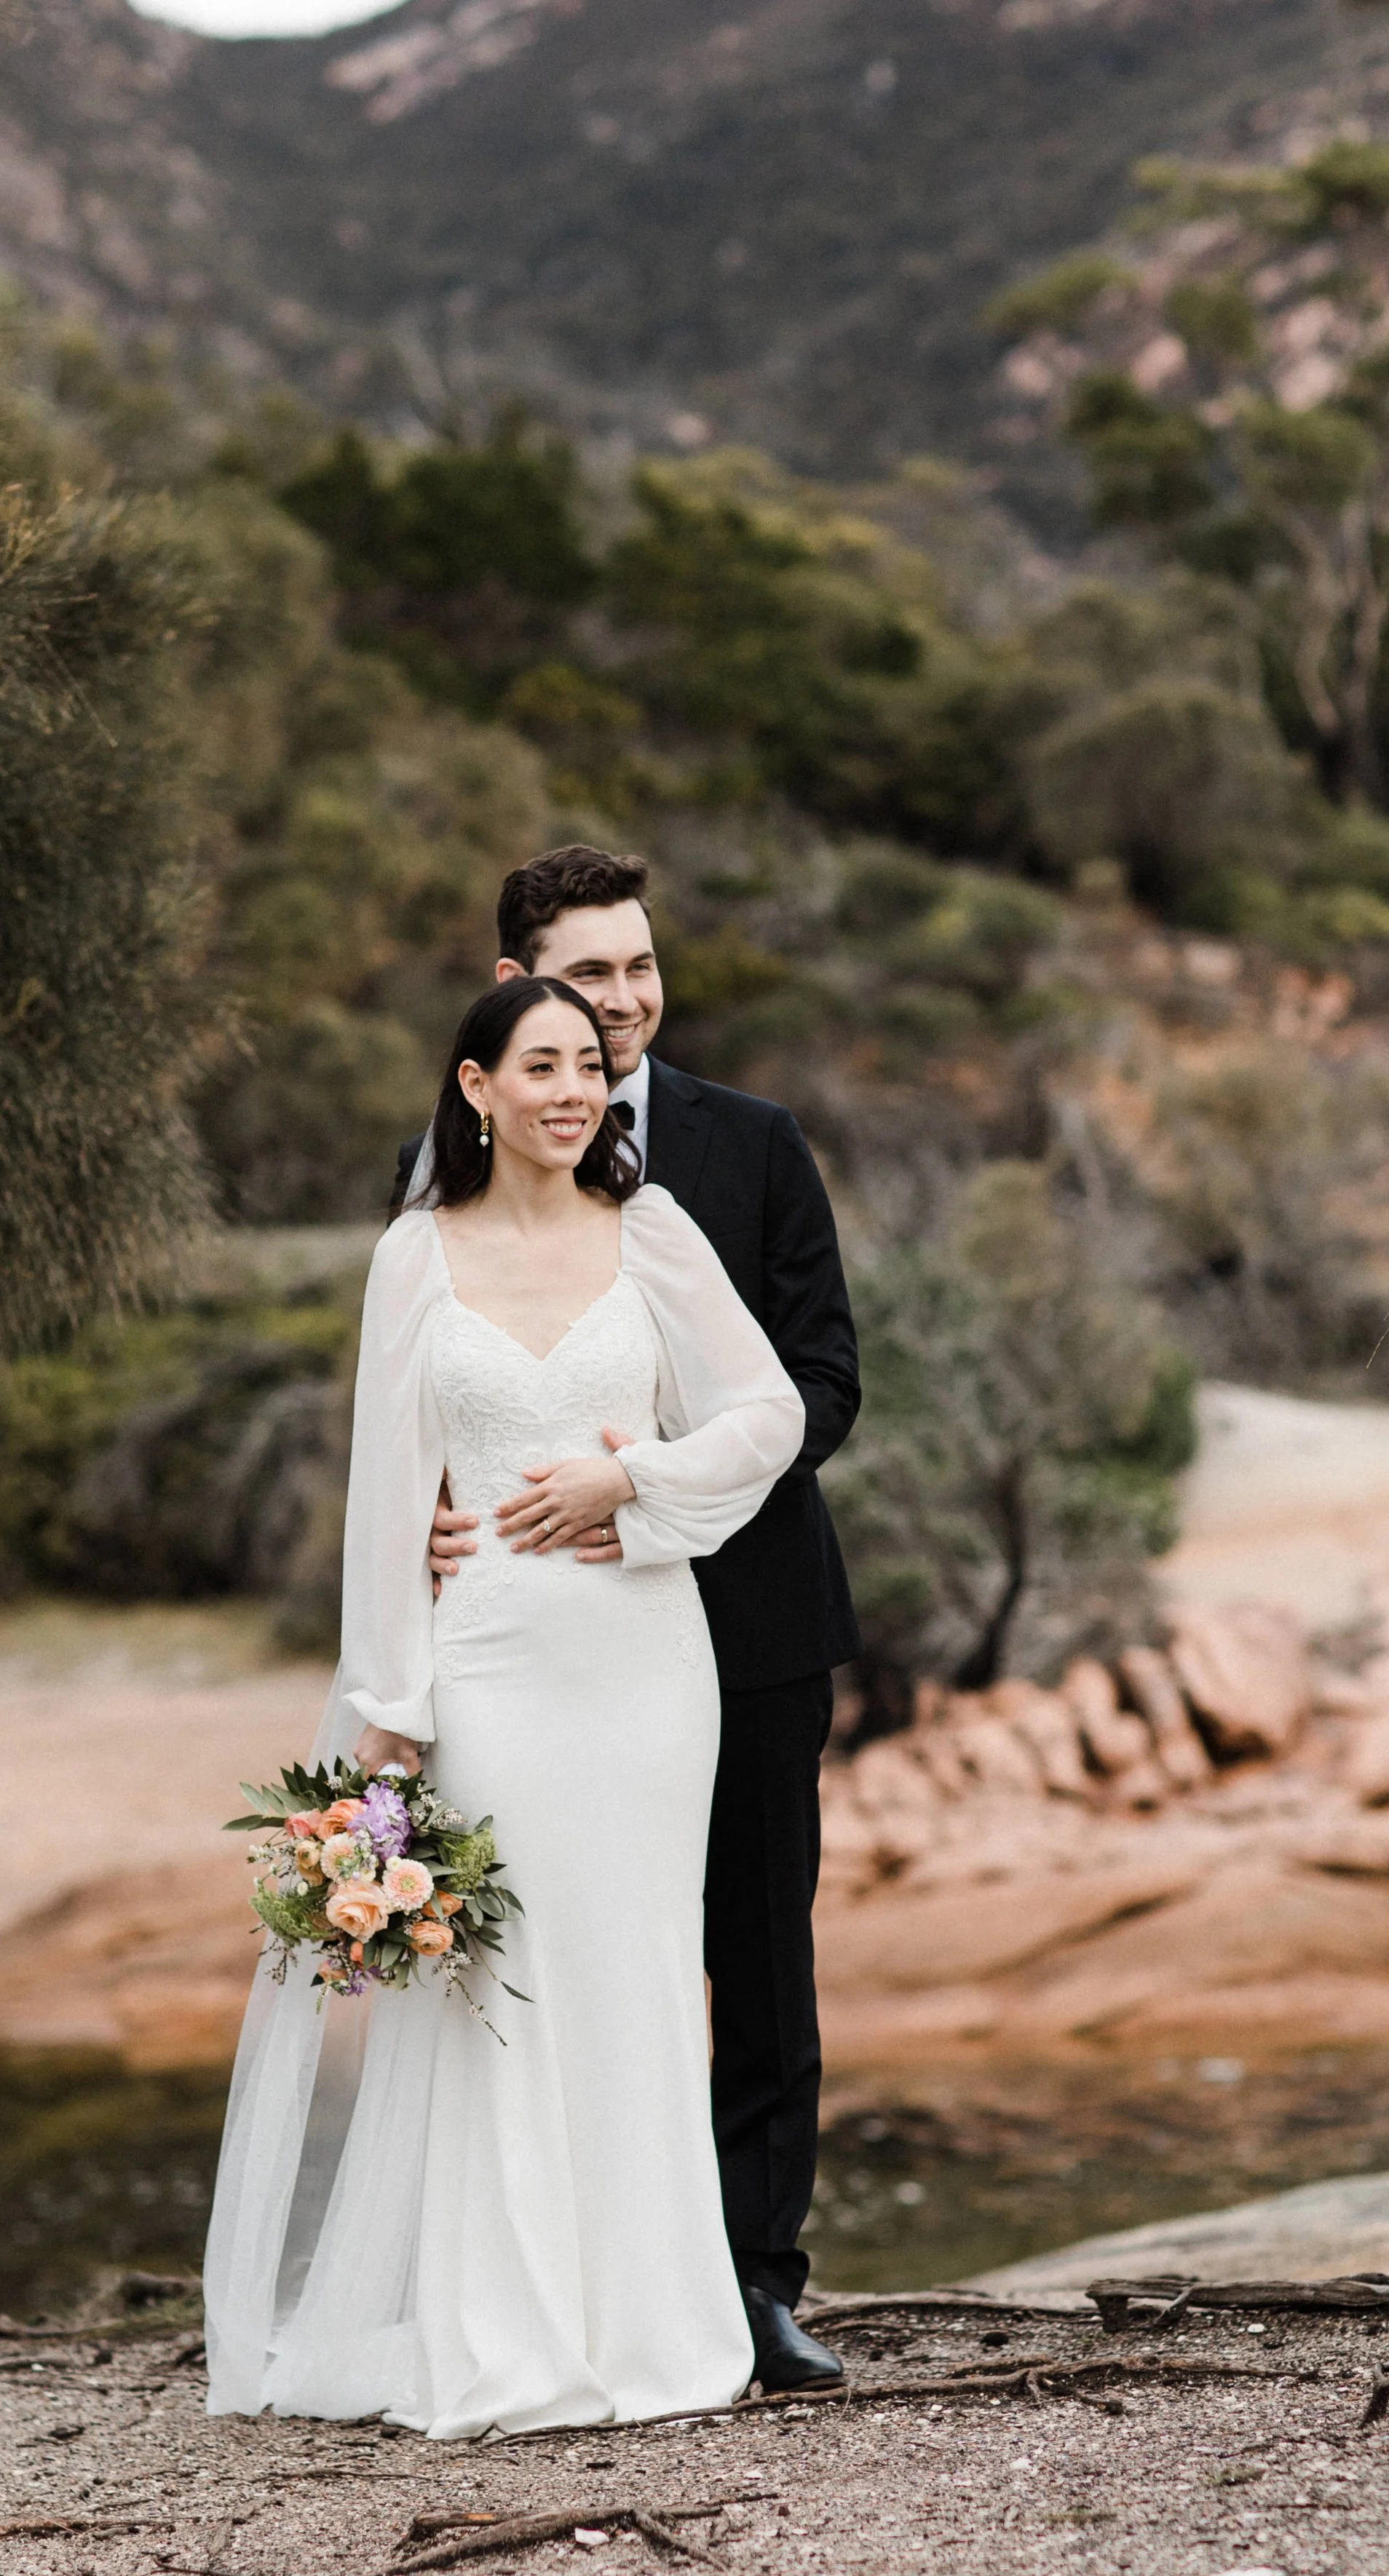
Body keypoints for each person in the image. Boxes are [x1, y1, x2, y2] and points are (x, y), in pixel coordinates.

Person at [204, 976, 807, 2436]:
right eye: (538, 1065)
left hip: (645, 1665)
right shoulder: (412, 1258)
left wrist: (638, 1487)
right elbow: (383, 1497)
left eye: (589, 1066)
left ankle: (657, 2327)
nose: (572, 1089)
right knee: (505, 1986)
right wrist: (388, 1708)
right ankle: (504, 2333)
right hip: (489, 1667)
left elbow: (769, 1411)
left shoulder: (650, 1229)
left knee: (637, 1975)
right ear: (473, 1087)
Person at [395, 845, 860, 2393]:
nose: (622, 1006)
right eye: (588, 978)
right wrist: (441, 1526)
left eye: (639, 969)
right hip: (534, 1637)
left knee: (752, 1955)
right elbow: (417, 1394)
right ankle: (567, 2279)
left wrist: (634, 1484)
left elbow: (816, 1385)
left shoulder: (753, 1144)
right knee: (560, 1949)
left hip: (744, 1616)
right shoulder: (448, 1165)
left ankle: (757, 2285)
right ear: (522, 983)